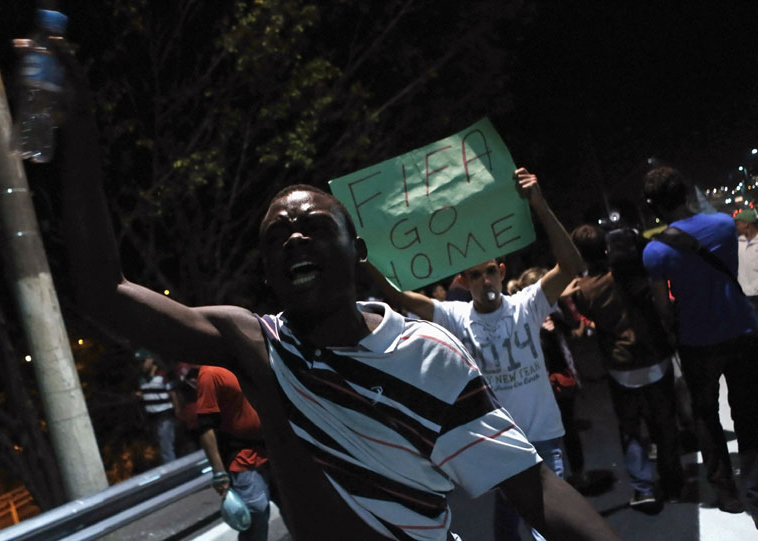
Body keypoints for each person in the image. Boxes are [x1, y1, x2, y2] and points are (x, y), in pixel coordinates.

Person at [55, 42, 619, 540]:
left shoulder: (427, 354)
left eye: (315, 228)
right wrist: (77, 129)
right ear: (269, 272)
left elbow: (533, 490)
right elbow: (105, 294)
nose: (295, 238)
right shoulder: (259, 347)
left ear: (357, 253)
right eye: (277, 236)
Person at [364, 169, 587, 541]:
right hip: (500, 444)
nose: (486, 282)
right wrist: (365, 258)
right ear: (463, 282)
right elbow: (403, 298)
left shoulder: (527, 305)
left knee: (548, 526)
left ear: (501, 272)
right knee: (506, 527)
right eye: (475, 275)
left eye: (490, 272)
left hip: (544, 438)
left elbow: (570, 266)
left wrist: (539, 204)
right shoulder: (455, 316)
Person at [642, 166, 758, 517]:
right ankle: (754, 483)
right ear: (687, 194)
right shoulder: (724, 224)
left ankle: (726, 493)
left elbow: (663, 307)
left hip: (697, 341)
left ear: (654, 206)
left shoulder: (655, 251)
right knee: (750, 413)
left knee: (706, 417)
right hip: (741, 328)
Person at [569, 224, 683, 512]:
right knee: (665, 424)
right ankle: (672, 485)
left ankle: (643, 489)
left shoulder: (585, 290)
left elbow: (579, 314)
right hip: (654, 357)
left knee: (630, 429)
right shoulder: (632, 274)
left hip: (620, 367)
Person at [516, 267, 585, 494]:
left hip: (560, 380)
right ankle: (554, 484)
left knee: (568, 428)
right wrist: (541, 330)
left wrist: (557, 320)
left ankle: (577, 474)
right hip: (538, 385)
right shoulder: (522, 319)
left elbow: (570, 334)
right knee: (547, 435)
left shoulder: (553, 312)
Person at [193, 365, 275, 541]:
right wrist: (219, 472)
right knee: (256, 518)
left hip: (275, 451)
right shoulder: (210, 373)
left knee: (297, 508)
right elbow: (206, 426)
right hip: (243, 458)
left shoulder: (246, 359)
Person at [137, 349, 177, 464]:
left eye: (143, 361)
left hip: (165, 415)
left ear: (151, 360)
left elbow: (173, 393)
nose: (141, 365)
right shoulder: (142, 379)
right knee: (161, 448)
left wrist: (177, 410)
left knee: (166, 448)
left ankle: (173, 473)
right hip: (152, 418)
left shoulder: (162, 376)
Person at [735, 208, 758, 313]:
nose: (736, 227)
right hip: (743, 295)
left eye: (738, 224)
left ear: (746, 224)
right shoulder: (738, 243)